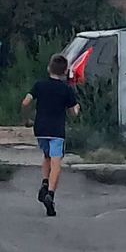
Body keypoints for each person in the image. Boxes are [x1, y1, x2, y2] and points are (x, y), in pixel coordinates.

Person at [22, 53, 80, 217]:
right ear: (65, 71)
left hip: (40, 129)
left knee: (47, 156)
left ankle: (44, 182)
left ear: (49, 68)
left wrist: (26, 119)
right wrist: (77, 109)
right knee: (56, 162)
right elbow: (73, 112)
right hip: (57, 131)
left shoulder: (39, 85)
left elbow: (25, 102)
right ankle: (50, 194)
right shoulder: (66, 89)